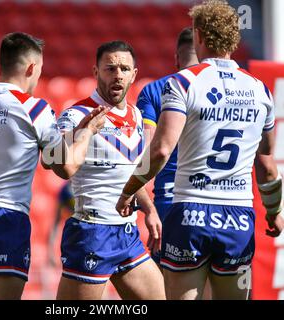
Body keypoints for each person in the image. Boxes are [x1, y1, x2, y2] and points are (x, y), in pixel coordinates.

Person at [116, 0, 284, 300]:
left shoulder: (183, 82)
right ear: (235, 38)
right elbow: (268, 162)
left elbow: (161, 150)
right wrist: (273, 212)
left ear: (199, 36)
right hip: (238, 217)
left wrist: (129, 190)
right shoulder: (260, 90)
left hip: (190, 213)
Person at [0, 32, 107, 300]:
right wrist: (87, 132)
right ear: (31, 68)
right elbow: (65, 167)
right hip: (4, 220)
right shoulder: (33, 108)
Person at [56, 40, 166, 300]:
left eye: (124, 69)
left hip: (127, 233)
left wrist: (149, 210)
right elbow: (59, 164)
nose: (118, 75)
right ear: (96, 72)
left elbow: (131, 173)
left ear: (134, 74)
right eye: (110, 68)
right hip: (93, 231)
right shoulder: (76, 114)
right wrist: (82, 132)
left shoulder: (137, 116)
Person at [137, 27, 198, 263]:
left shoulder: (154, 90)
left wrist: (131, 192)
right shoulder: (233, 89)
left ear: (176, 58)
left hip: (170, 199)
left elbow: (149, 149)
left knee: (168, 283)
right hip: (223, 202)